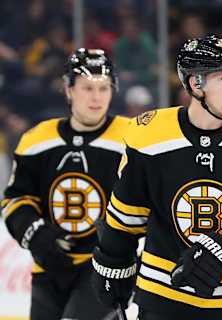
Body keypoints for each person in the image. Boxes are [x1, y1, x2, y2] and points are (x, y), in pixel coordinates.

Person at [91, 35, 222, 320]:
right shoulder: (148, 134)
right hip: (164, 296)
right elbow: (126, 213)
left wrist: (221, 252)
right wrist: (112, 262)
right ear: (195, 83)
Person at [1, 48, 129, 320]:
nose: (96, 97)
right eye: (87, 88)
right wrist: (37, 236)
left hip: (103, 267)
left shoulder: (132, 139)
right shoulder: (37, 140)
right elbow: (16, 199)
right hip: (50, 265)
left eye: (104, 88)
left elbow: (149, 200)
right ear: (68, 89)